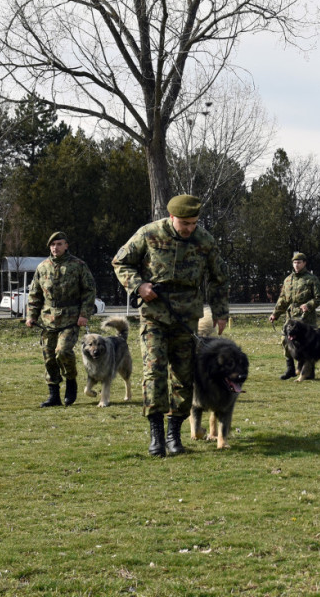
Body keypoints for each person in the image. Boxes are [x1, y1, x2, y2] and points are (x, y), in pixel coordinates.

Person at [112, 194, 229, 457]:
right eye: (185, 223)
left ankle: (174, 434)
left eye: (194, 223)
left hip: (186, 319)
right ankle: (156, 435)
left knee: (183, 377)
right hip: (154, 315)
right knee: (154, 374)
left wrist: (221, 312)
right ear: (172, 217)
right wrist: (139, 286)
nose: (190, 228)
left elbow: (219, 278)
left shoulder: (205, 240)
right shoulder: (149, 233)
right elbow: (120, 261)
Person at [26, 232, 97, 408]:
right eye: (52, 245)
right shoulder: (42, 267)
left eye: (59, 244)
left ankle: (71, 381)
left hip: (71, 318)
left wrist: (84, 314)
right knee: (49, 356)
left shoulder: (78, 265)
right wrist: (31, 316)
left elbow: (89, 291)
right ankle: (54, 395)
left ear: (66, 245)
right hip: (48, 320)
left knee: (63, 351)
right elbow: (35, 294)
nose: (55, 247)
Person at [269, 252, 320, 379]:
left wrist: (309, 305)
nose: (296, 265)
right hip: (291, 319)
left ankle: (309, 372)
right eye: (294, 263)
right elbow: (283, 299)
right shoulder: (288, 280)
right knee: (285, 341)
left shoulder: (311, 279)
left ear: (304, 263)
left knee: (308, 345)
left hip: (306, 319)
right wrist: (275, 314)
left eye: (299, 262)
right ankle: (290, 369)